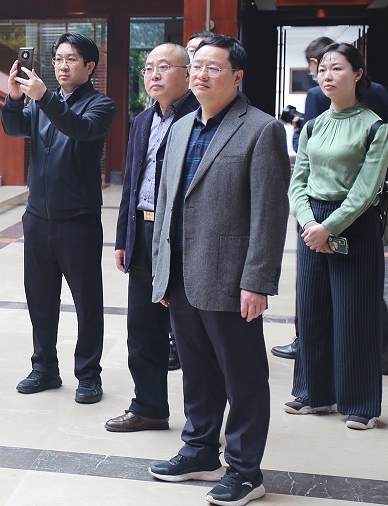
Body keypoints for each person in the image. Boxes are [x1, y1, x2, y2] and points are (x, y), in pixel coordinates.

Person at [149, 34, 289, 506]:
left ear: (237, 76)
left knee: (242, 377)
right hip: (182, 273)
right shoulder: (180, 127)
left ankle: (246, 472)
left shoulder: (261, 129)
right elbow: (167, 204)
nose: (201, 74)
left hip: (230, 276)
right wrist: (162, 270)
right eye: (196, 66)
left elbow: (269, 214)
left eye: (213, 67)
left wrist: (257, 280)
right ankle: (200, 451)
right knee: (196, 370)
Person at [1, 32, 116, 404]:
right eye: (58, 60)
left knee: (86, 301)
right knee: (40, 298)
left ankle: (89, 375)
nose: (63, 66)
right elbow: (14, 128)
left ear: (90, 66)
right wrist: (15, 99)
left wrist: (43, 98)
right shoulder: (40, 104)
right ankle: (44, 368)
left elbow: (79, 129)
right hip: (38, 217)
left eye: (72, 59)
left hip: (78, 219)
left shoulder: (100, 105)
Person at [286, 42, 386, 431]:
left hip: (354, 224)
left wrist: (329, 227)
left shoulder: (376, 127)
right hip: (312, 223)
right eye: (323, 69)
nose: (327, 76)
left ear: (357, 74)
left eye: (338, 68)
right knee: (311, 311)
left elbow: (366, 190)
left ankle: (360, 403)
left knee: (354, 314)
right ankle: (314, 392)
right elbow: (298, 181)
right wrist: (309, 222)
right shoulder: (313, 125)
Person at [106, 43, 197, 433]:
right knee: (143, 328)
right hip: (143, 231)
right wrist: (123, 238)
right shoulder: (143, 120)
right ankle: (149, 407)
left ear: (188, 73)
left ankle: (203, 421)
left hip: (181, 236)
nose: (153, 75)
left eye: (164, 67)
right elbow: (132, 183)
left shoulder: (199, 117)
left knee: (190, 332)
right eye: (147, 68)